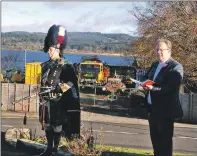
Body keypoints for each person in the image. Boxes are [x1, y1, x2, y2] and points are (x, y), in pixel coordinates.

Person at [39, 24, 80, 156]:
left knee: (57, 126)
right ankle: (48, 148)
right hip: (45, 101)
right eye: (48, 49)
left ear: (57, 48)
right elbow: (43, 81)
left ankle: (55, 149)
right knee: (47, 125)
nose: (48, 52)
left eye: (50, 49)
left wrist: (59, 90)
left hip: (58, 102)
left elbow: (72, 82)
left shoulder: (66, 65)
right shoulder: (45, 66)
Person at [142, 38, 183, 156]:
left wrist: (151, 87)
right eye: (156, 49)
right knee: (155, 143)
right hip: (152, 110)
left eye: (161, 49)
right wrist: (144, 83)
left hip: (165, 112)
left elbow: (170, 89)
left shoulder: (176, 67)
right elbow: (145, 77)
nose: (158, 52)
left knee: (165, 145)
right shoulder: (155, 64)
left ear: (169, 51)